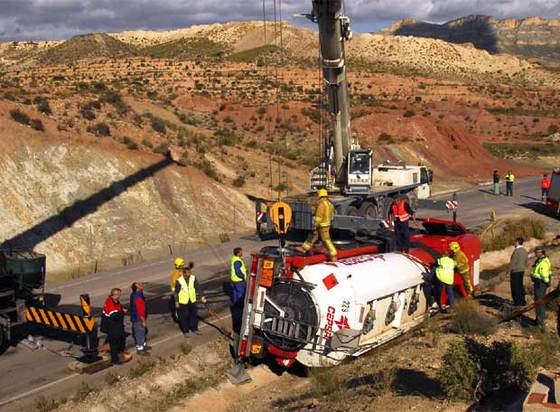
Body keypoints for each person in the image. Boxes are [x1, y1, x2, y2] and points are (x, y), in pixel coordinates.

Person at [300, 188, 337, 261]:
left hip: (322, 225)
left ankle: (333, 252)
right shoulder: (329, 204)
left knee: (325, 239)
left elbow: (318, 216)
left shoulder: (321, 204)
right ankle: (304, 248)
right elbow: (332, 215)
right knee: (313, 236)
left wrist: (314, 224)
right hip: (325, 224)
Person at [175, 264, 207, 337]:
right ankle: (185, 331)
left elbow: (198, 287)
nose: (190, 273)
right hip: (183, 302)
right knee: (184, 317)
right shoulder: (179, 281)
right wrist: (176, 302)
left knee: (193, 315)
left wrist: (202, 296)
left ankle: (194, 328)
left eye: (190, 271)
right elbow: (176, 293)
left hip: (192, 300)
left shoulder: (193, 278)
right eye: (188, 272)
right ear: (184, 272)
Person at [102, 288, 127, 365]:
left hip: (116, 326)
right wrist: (123, 312)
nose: (119, 296)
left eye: (120, 294)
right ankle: (114, 360)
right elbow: (114, 315)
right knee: (114, 344)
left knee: (119, 340)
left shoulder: (115, 301)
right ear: (113, 295)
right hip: (112, 327)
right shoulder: (110, 303)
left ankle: (114, 354)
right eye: (118, 295)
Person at [531, 246, 552, 328]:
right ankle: (538, 320)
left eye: (536, 252)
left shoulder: (543, 262)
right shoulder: (540, 260)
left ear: (541, 253)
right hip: (539, 283)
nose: (535, 254)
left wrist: (537, 278)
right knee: (538, 302)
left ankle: (540, 323)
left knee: (539, 302)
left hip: (541, 284)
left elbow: (544, 275)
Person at [230, 247, 247, 335]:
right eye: (241, 252)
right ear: (238, 253)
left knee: (235, 293)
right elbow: (238, 271)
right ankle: (239, 305)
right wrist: (243, 277)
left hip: (234, 280)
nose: (242, 253)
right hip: (239, 281)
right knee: (240, 294)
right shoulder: (237, 261)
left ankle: (235, 303)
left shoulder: (234, 259)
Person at [130, 282, 149, 355]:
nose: (142, 285)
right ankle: (140, 348)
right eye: (140, 285)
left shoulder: (137, 293)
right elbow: (140, 309)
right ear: (137, 288)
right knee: (139, 332)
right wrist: (143, 320)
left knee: (143, 331)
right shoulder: (137, 296)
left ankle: (143, 344)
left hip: (139, 316)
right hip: (138, 318)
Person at [509, 237, 528, 306]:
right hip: (521, 271)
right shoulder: (525, 250)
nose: (514, 243)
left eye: (515, 242)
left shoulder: (516, 251)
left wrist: (509, 271)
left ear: (517, 242)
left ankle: (517, 302)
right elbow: (526, 260)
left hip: (515, 271)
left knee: (515, 287)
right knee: (520, 286)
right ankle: (522, 301)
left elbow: (513, 262)